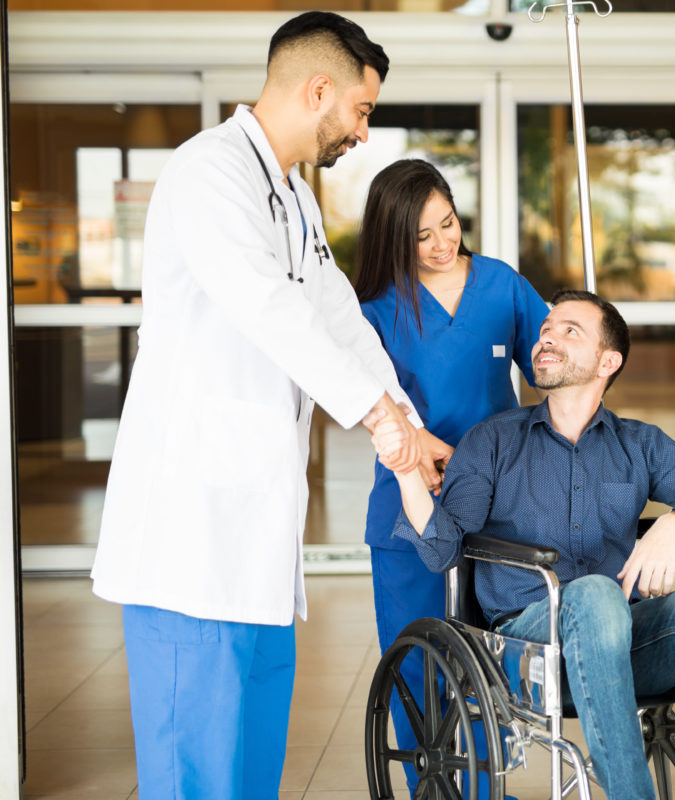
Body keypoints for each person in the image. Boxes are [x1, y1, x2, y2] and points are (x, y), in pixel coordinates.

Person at [89, 12, 433, 799]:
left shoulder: (296, 200)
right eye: (361, 110)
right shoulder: (207, 173)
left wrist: (409, 427)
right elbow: (268, 308)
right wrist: (380, 423)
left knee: (249, 770)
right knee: (192, 775)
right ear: (319, 89)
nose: (363, 133)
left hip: (256, 544)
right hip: (190, 537)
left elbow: (336, 316)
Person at [374, 289, 675, 800]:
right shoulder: (494, 440)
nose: (547, 337)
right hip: (525, 653)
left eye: (570, 331)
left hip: (623, 643)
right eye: (547, 328)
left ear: (607, 362)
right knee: (593, 593)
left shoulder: (639, 443)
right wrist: (407, 473)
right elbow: (441, 550)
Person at [353, 158, 547, 796]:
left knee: (491, 670)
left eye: (449, 224)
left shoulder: (500, 287)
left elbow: (547, 363)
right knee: (418, 669)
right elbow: (365, 407)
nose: (443, 245)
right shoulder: (375, 312)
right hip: (409, 511)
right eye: (423, 236)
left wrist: (581, 352)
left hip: (498, 511)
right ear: (393, 237)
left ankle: (486, 789)